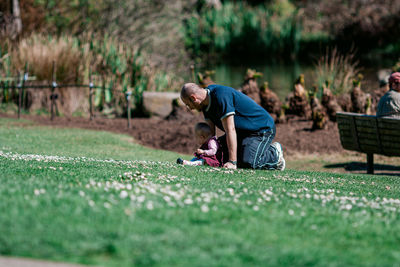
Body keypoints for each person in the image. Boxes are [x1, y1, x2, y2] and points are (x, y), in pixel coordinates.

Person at [180, 83, 285, 170]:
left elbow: (230, 130)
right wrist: (201, 158)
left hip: (261, 129)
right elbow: (210, 137)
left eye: (188, 104)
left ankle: (274, 155)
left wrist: (232, 162)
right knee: (220, 154)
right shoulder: (205, 104)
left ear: (193, 98)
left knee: (248, 162)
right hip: (242, 133)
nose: (189, 108)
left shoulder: (221, 96)